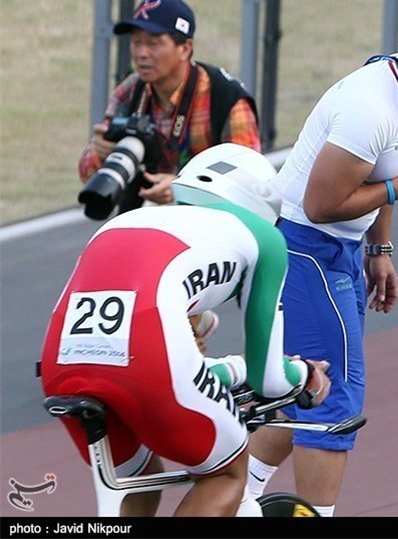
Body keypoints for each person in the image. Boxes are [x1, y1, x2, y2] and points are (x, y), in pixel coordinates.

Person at [245, 0, 398, 515]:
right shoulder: (371, 109)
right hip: (306, 246)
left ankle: (238, 496)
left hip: (338, 248)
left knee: (302, 385)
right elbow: (323, 202)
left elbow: (386, 170)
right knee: (333, 400)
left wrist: (380, 248)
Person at [41, 143, 331, 516]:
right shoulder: (263, 235)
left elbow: (129, 350)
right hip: (146, 356)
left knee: (138, 486)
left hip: (61, 361)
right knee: (225, 474)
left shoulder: (126, 221)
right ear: (260, 204)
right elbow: (269, 378)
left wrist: (230, 369)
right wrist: (305, 374)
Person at [77, 0, 261, 351]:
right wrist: (99, 153)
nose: (141, 53)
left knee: (165, 312)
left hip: (216, 226)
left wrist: (181, 190)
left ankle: (186, 343)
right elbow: (89, 174)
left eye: (153, 43)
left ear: (185, 48)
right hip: (147, 221)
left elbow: (250, 186)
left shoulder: (226, 98)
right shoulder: (132, 91)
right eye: (136, 43)